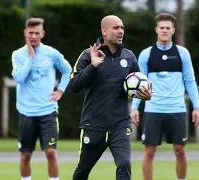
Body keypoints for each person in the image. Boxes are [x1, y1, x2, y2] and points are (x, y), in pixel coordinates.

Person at [69, 15, 152, 180]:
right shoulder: (88, 54)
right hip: (93, 125)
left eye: (122, 27)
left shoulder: (129, 57)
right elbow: (75, 85)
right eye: (116, 28)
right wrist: (93, 66)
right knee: (83, 170)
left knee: (124, 164)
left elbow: (137, 87)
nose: (121, 31)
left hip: (120, 125)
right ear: (104, 31)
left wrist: (146, 96)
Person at [130, 13, 199, 180]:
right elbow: (140, 84)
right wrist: (134, 107)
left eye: (167, 28)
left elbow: (190, 81)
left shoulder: (182, 53)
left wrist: (197, 107)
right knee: (149, 151)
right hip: (153, 109)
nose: (164, 30)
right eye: (161, 28)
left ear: (173, 31)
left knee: (180, 150)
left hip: (177, 109)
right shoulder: (146, 54)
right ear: (156, 30)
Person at [11, 17, 72, 180]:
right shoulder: (18, 55)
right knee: (25, 155)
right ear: (25, 33)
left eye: (37, 33)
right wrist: (30, 58)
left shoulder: (51, 53)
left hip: (48, 111)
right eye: (30, 33)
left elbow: (68, 70)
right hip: (26, 112)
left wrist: (60, 91)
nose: (33, 36)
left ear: (42, 34)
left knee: (51, 152)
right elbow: (19, 78)